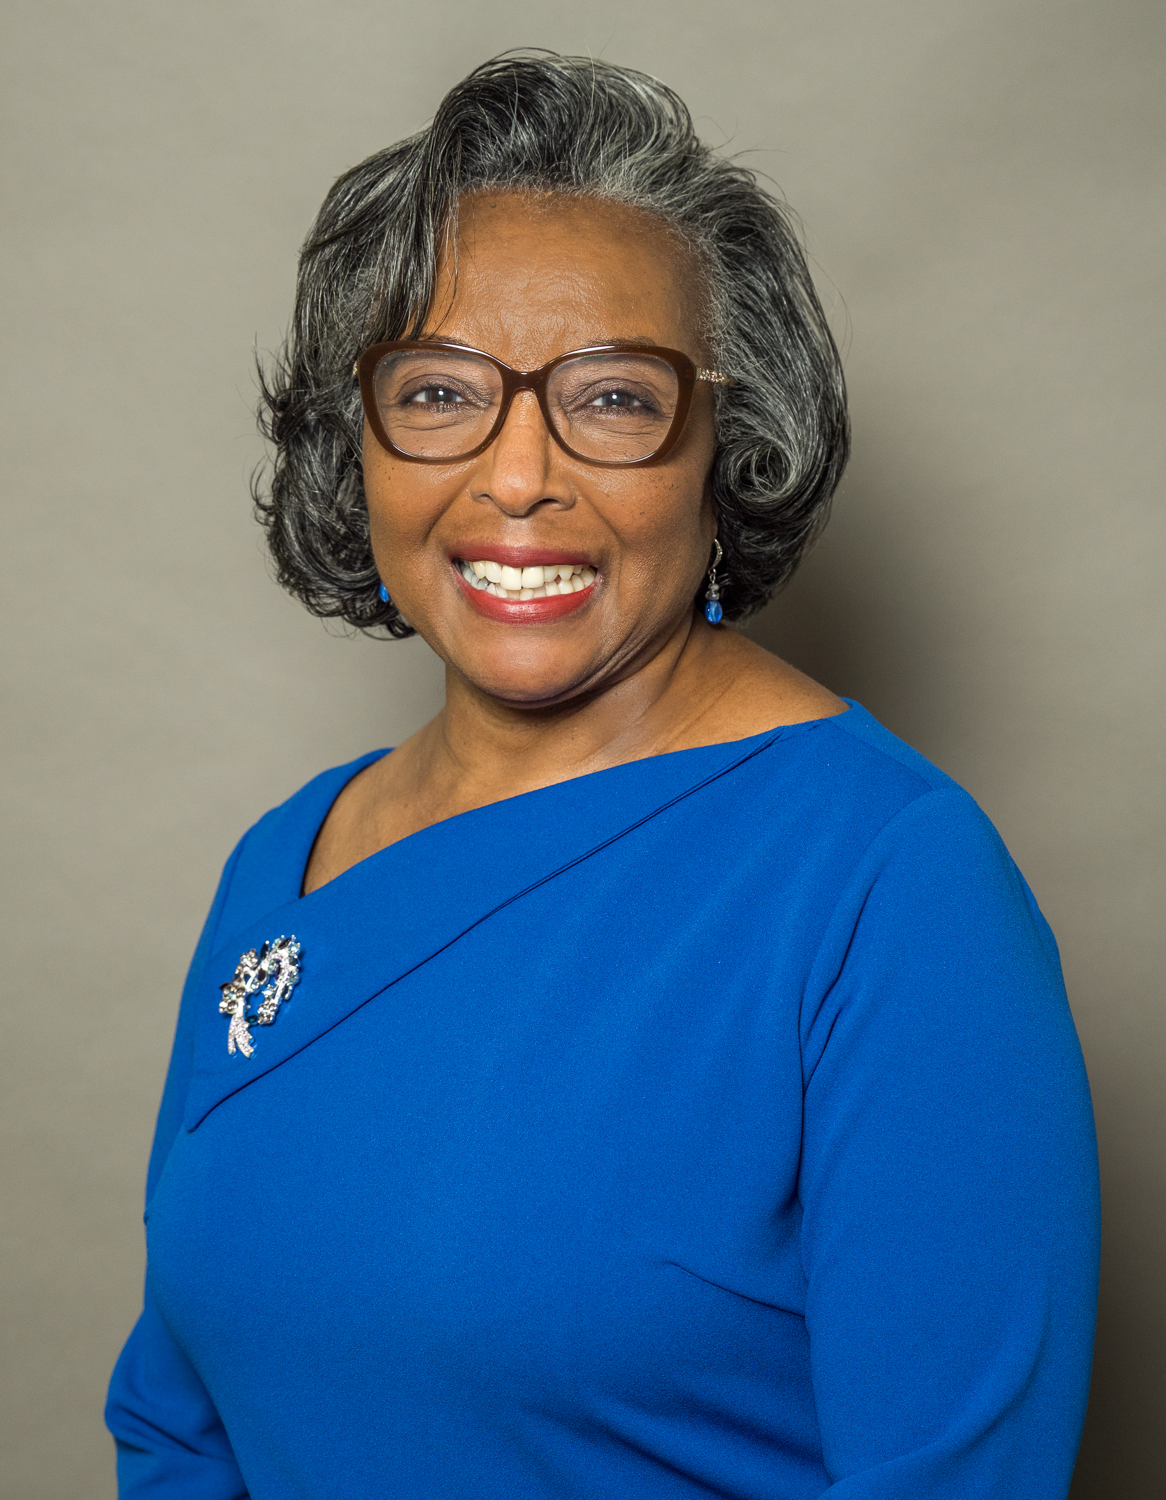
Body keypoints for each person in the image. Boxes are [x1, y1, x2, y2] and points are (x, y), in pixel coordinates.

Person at [106, 52, 1099, 1500]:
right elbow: (178, 1425)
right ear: (356, 445)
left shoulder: (892, 886)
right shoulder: (283, 861)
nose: (519, 475)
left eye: (616, 398)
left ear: (727, 449)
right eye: (438, 391)